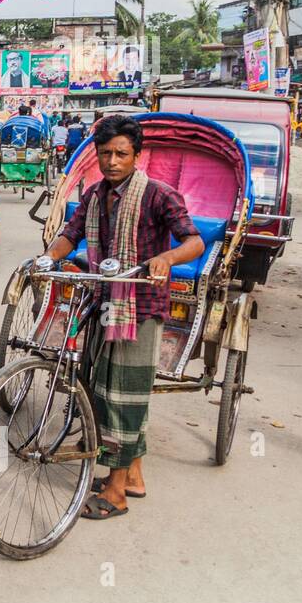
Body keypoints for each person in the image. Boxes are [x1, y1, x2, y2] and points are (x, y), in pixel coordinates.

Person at [39, 115, 203, 521]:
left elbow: (194, 241)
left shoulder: (159, 195)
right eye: (105, 153)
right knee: (103, 389)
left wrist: (166, 257)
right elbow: (70, 234)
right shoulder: (94, 196)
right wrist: (48, 257)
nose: (112, 161)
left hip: (141, 308)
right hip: (102, 301)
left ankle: (115, 493)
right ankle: (132, 475)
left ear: (136, 155)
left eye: (121, 154)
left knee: (123, 397)